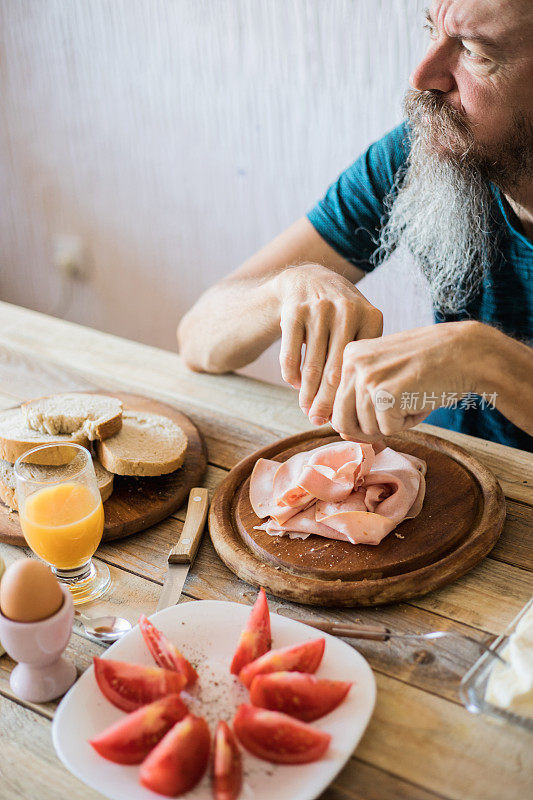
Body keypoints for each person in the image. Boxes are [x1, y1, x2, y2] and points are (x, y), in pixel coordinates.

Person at [178, 0, 533, 451]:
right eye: (431, 32)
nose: (421, 76)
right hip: (460, 458)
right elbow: (198, 338)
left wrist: (483, 357)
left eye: (476, 52)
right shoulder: (426, 152)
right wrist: (286, 289)